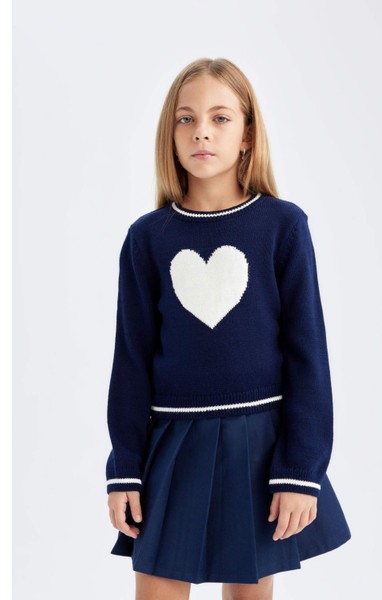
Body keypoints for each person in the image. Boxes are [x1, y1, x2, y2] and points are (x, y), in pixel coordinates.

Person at [105, 57, 352, 600]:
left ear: (247, 135)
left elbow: (308, 356)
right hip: (170, 445)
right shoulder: (147, 238)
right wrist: (124, 468)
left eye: (220, 118)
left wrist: (300, 470)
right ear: (170, 134)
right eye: (186, 119)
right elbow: (131, 361)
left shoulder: (283, 227)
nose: (202, 132)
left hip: (260, 447)